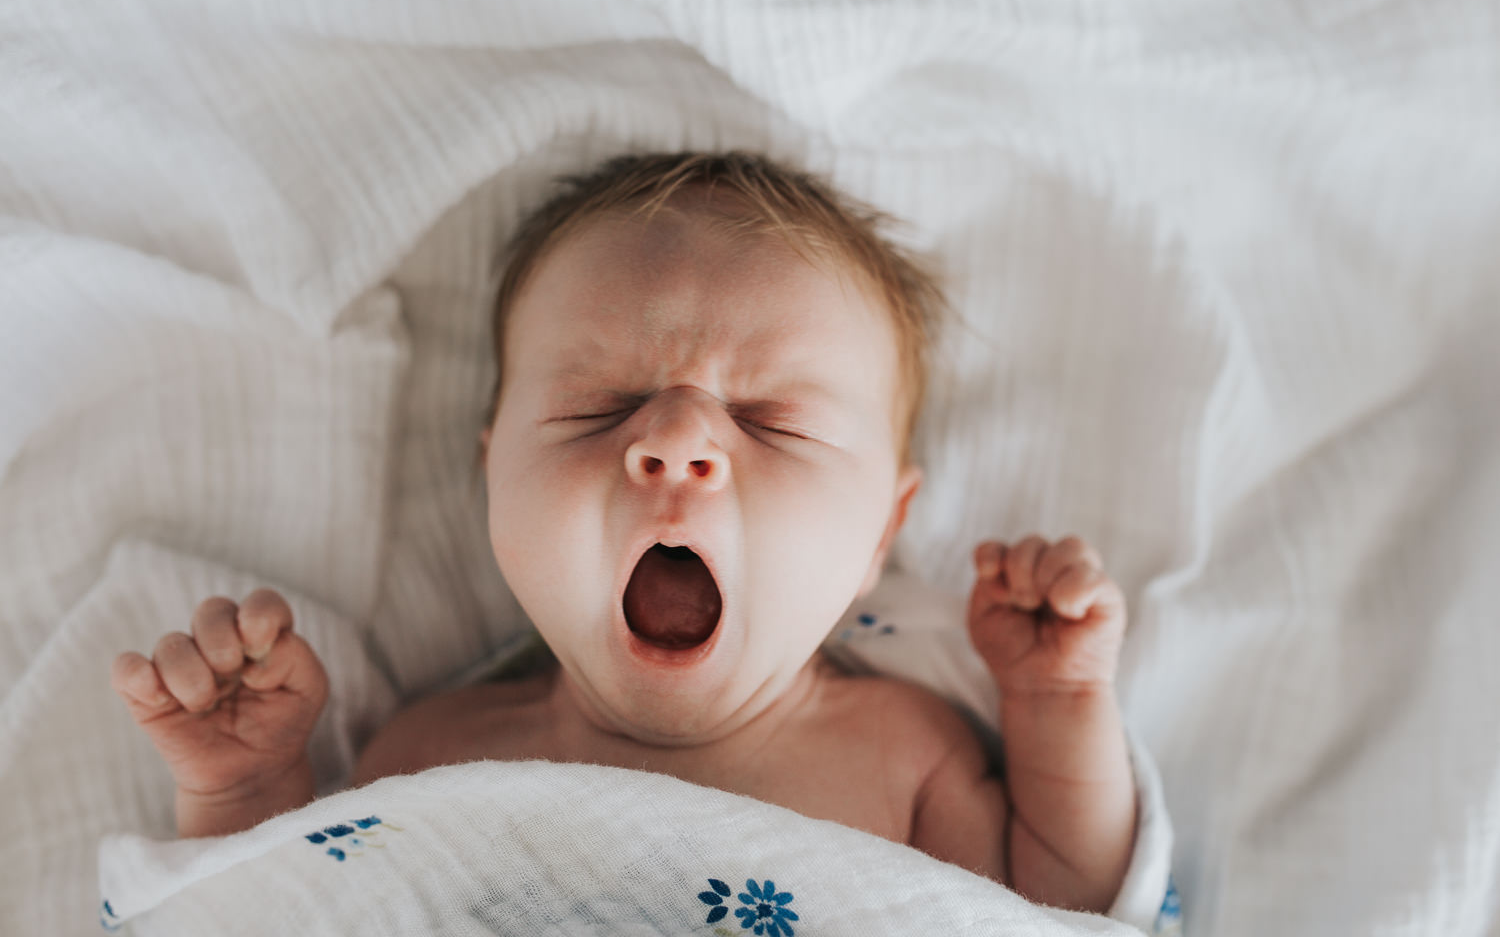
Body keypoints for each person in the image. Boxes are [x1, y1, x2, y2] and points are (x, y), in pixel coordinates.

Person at [111, 152, 1138, 915]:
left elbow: (1058, 915)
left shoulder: (908, 755)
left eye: (774, 420)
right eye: (599, 406)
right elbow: (274, 919)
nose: (678, 439)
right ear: (492, 481)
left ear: (884, 530)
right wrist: (247, 789)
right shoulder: (430, 754)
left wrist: (1057, 707)